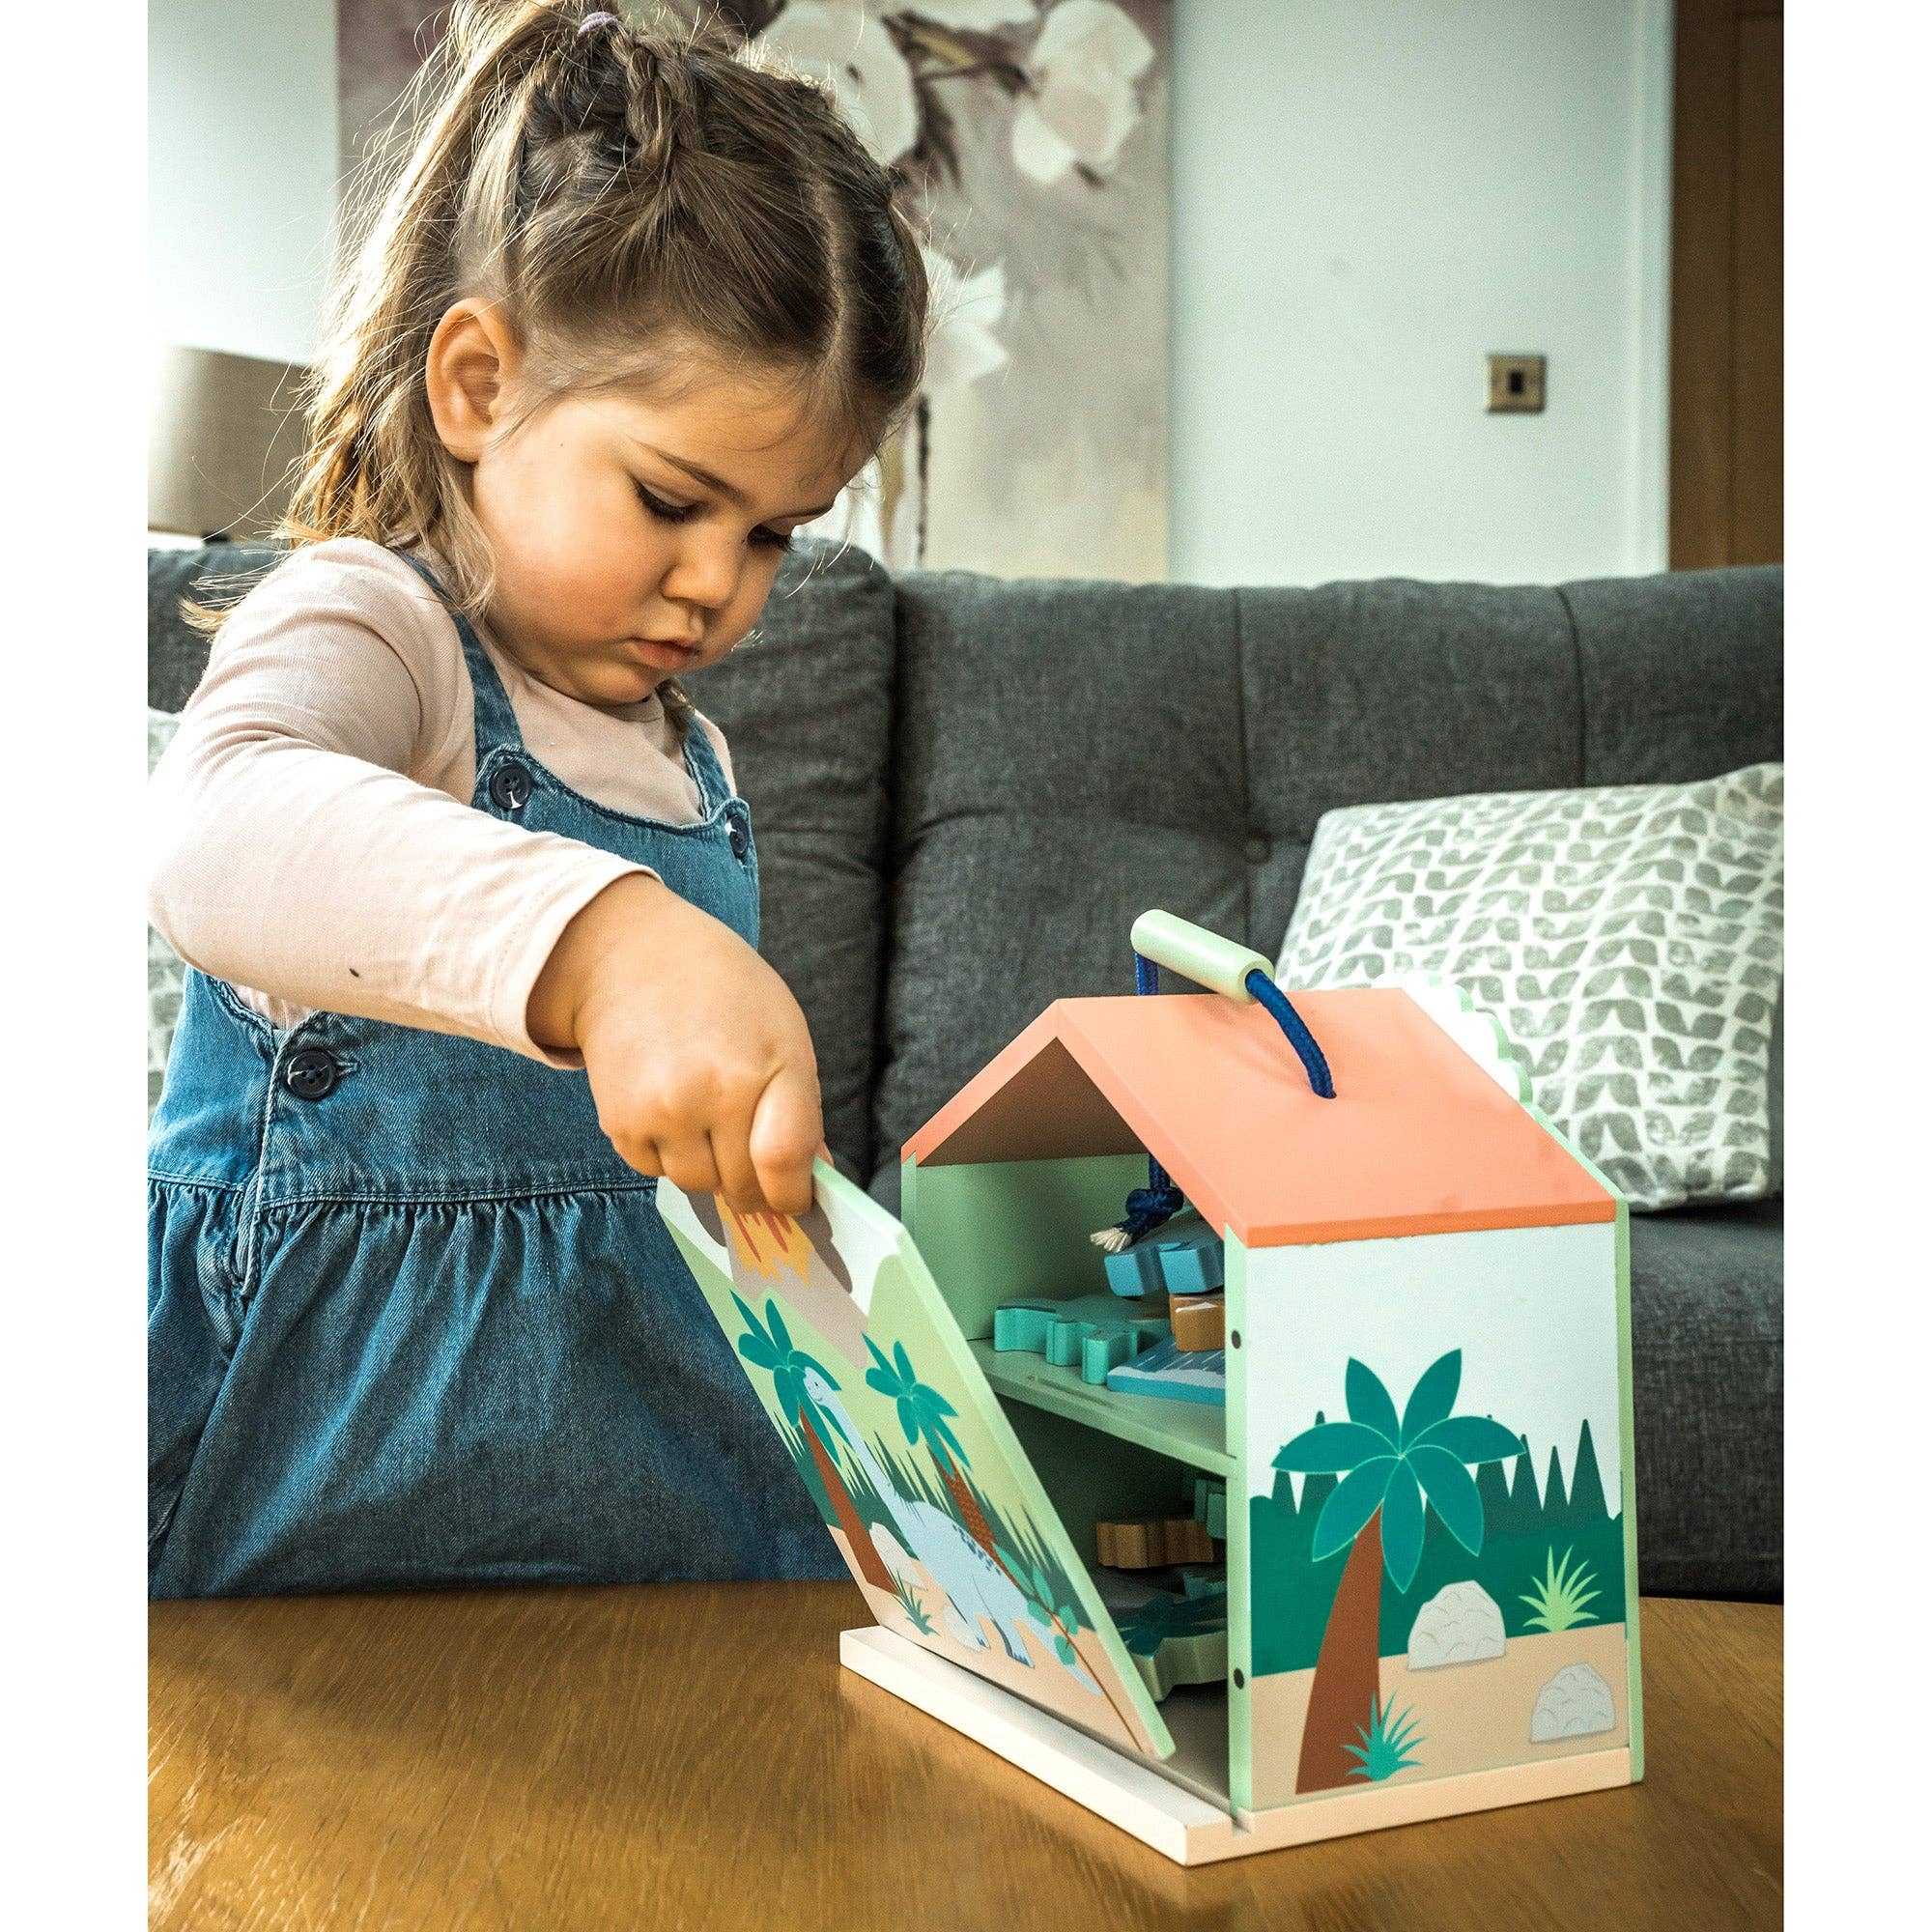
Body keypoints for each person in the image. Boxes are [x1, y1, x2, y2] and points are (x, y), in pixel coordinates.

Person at [147, 0, 929, 1597]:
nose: (719, 583)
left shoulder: (689, 763)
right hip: (312, 1528)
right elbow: (217, 827)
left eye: (778, 533)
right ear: (477, 385)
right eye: (670, 498)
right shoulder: (377, 624)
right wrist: (605, 945)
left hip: (662, 1526)